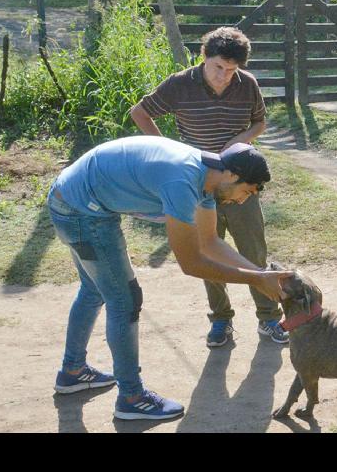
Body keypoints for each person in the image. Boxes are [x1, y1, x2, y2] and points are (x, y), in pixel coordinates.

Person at [48, 135, 293, 421]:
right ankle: (131, 398)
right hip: (81, 212)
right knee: (125, 301)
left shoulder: (207, 177)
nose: (243, 200)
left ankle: (73, 372)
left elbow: (210, 242)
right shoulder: (183, 183)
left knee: (94, 291)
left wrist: (261, 274)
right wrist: (253, 280)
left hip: (74, 200)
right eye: (248, 191)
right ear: (232, 175)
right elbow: (192, 263)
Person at [130, 26, 288, 348]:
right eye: (219, 67)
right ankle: (221, 320)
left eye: (232, 70)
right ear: (204, 57)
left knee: (253, 250)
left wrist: (238, 141)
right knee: (207, 251)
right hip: (199, 183)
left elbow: (260, 122)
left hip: (240, 181)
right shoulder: (179, 84)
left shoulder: (248, 85)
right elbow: (140, 112)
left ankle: (268, 318)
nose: (225, 76)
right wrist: (168, 152)